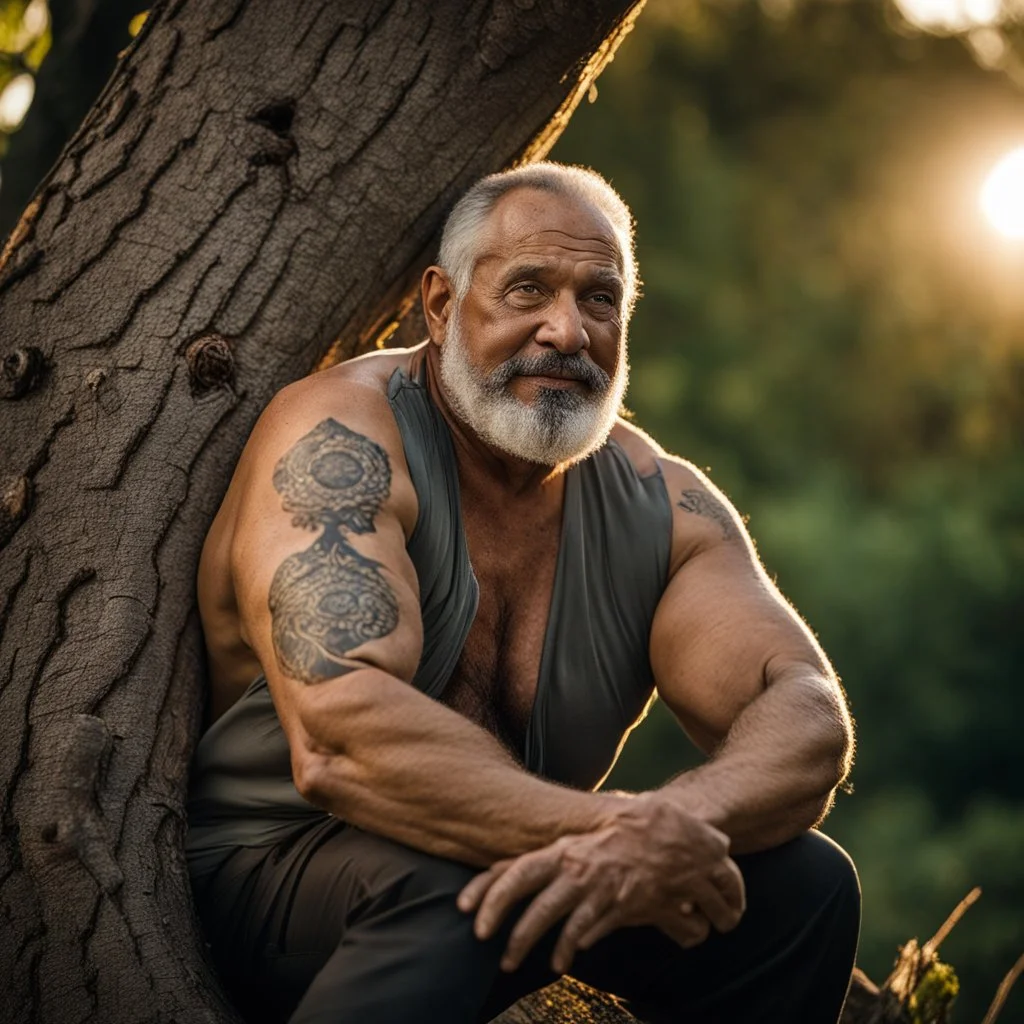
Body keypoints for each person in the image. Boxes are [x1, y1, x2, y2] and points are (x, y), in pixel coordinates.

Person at [187, 161, 860, 1024]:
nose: (566, 332)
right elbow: (342, 733)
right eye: (527, 290)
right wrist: (604, 836)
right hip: (281, 871)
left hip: (534, 874)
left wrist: (671, 824)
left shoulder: (665, 502)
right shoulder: (338, 437)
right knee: (447, 890)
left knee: (805, 890)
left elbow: (802, 708)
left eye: (600, 300)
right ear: (440, 304)